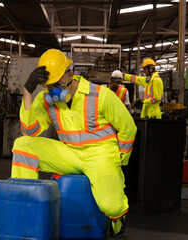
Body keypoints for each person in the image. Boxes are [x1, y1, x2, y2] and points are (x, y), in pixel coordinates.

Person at [11, 49, 137, 237]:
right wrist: (28, 91)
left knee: (112, 206)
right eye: (49, 85)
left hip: (101, 155)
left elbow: (128, 128)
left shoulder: (100, 95)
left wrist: (119, 160)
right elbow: (30, 131)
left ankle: (118, 219)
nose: (53, 89)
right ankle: (26, 211)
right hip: (69, 154)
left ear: (70, 73)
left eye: (57, 83)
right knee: (22, 145)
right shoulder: (47, 100)